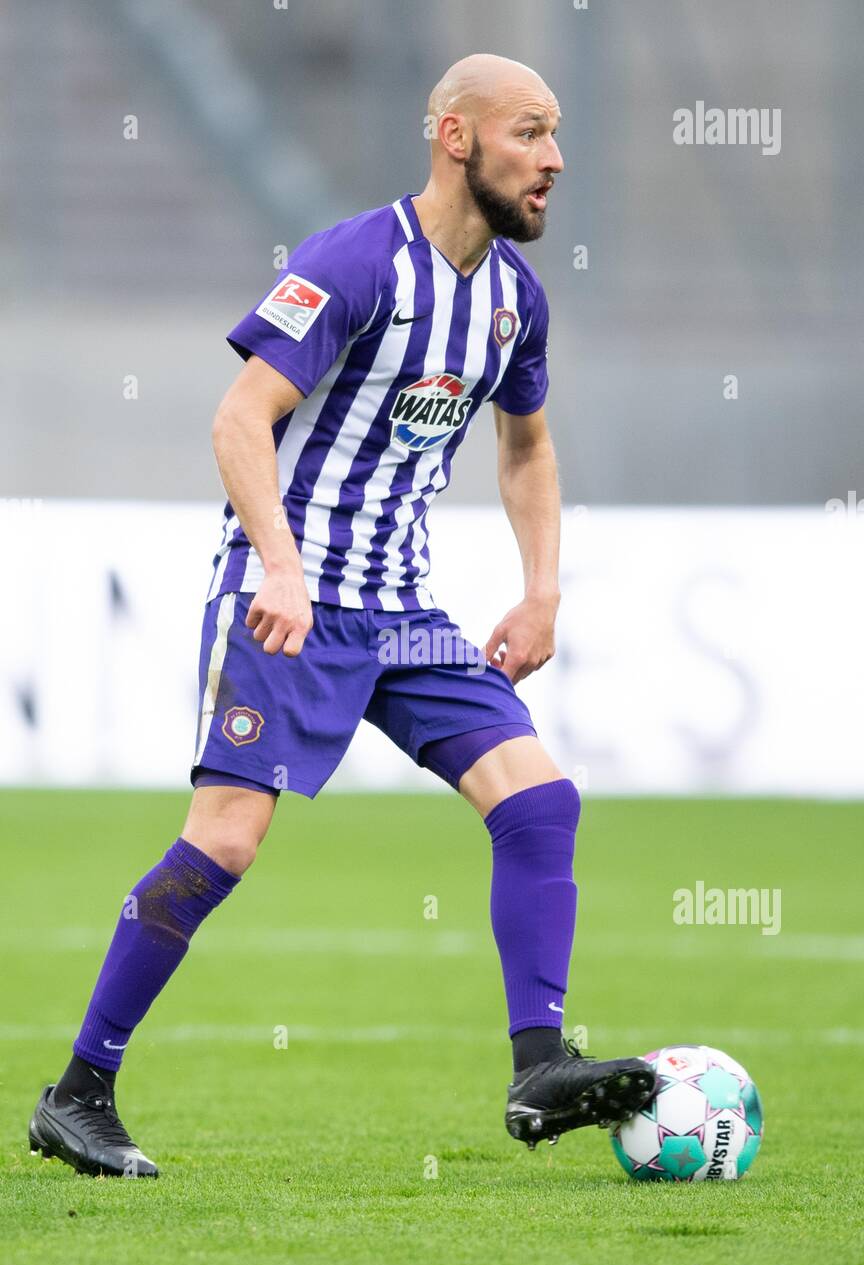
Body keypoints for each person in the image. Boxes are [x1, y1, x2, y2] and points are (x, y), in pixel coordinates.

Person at [29, 53, 655, 1178]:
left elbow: (527, 448)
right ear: (456, 137)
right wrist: (279, 565)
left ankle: (537, 1069)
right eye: (529, 132)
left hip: (402, 611)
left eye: (557, 133)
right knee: (225, 840)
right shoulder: (355, 261)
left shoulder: (515, 300)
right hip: (291, 600)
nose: (555, 158)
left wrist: (542, 589)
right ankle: (78, 1093)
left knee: (539, 801)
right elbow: (239, 419)